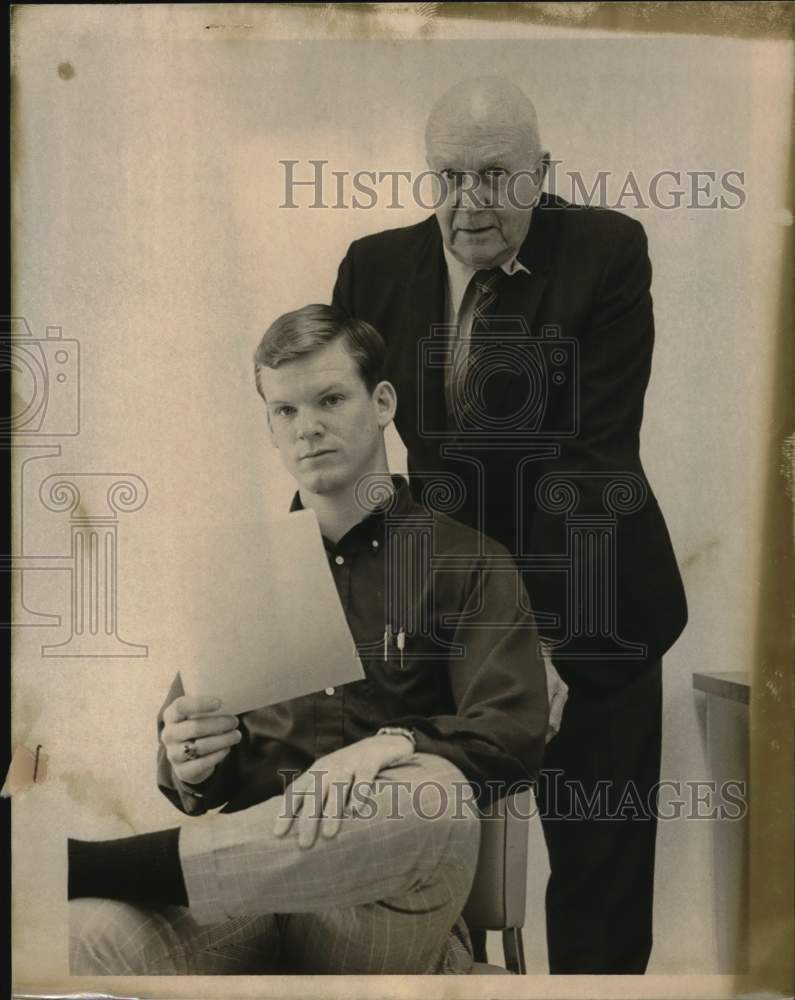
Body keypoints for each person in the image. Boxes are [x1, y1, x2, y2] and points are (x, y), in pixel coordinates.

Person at [68, 304, 550, 975]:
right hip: (249, 904)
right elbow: (197, 779)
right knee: (84, 933)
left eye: (329, 400)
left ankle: (93, 862)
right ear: (268, 424)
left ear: (381, 402)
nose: (308, 429)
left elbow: (515, 733)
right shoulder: (242, 573)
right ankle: (92, 876)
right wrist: (187, 763)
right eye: (284, 411)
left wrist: (392, 745)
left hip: (380, 906)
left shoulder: (467, 561)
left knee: (432, 793)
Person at [331, 76, 688, 973]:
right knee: (424, 853)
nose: (469, 204)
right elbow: (350, 441)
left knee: (597, 882)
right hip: (449, 604)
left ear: (542, 174)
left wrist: (541, 646)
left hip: (595, 608)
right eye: (448, 178)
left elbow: (590, 465)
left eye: (496, 177)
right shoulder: (374, 268)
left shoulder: (606, 251)